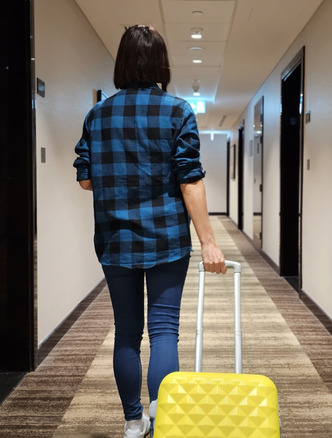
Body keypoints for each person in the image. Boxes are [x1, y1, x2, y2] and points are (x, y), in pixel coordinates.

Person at [73, 24, 226, 438]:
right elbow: (189, 179)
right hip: (166, 239)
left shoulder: (97, 114)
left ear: (121, 63)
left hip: (115, 239)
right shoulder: (177, 111)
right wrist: (208, 241)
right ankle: (164, 422)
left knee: (126, 331)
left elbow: (86, 180)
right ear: (161, 63)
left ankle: (132, 421)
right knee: (163, 331)